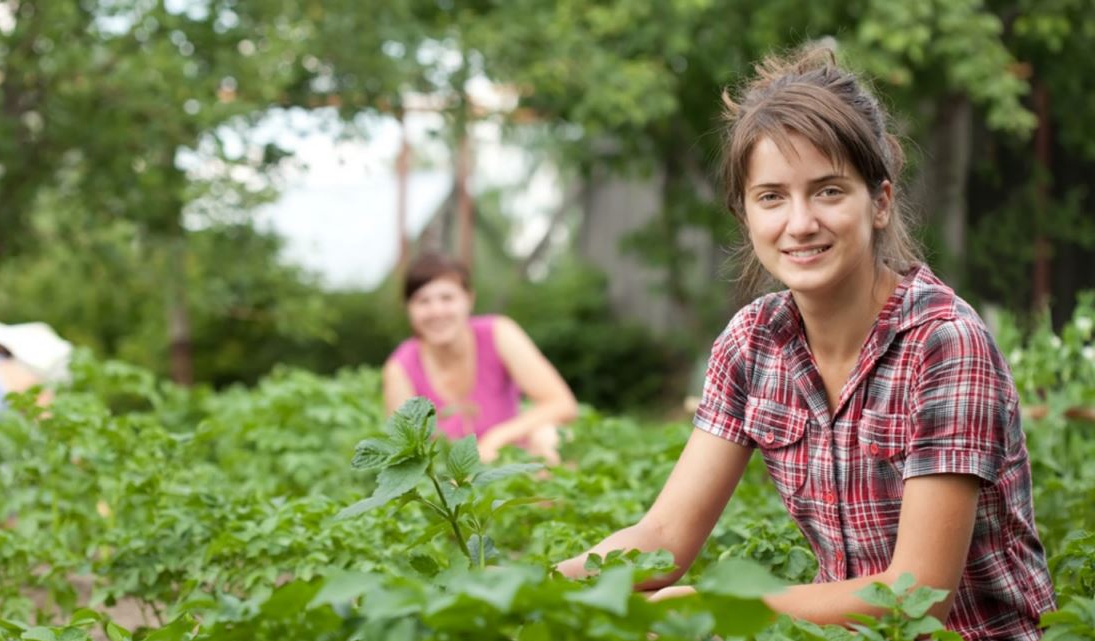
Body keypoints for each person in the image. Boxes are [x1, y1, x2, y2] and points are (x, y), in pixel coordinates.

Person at [556, 47, 1055, 640]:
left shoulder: (944, 343)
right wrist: (529, 593)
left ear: (880, 202)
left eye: (828, 191)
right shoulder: (752, 345)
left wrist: (719, 607)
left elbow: (916, 598)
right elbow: (663, 539)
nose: (799, 223)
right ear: (745, 214)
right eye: (771, 197)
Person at [383, 253, 577, 464]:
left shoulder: (499, 333)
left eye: (447, 298)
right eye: (423, 301)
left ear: (469, 300)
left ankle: (554, 497)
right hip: (452, 483)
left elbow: (562, 404)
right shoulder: (400, 368)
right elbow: (405, 453)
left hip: (513, 465)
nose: (436, 311)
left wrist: (495, 439)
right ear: (409, 309)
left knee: (549, 435)